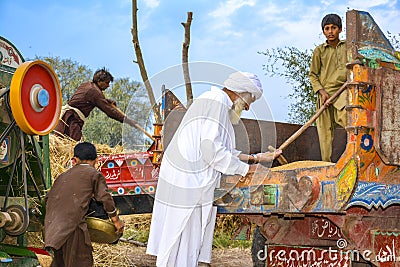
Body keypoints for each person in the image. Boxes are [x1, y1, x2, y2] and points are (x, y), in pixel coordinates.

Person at [146, 71, 282, 267]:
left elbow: (224, 149)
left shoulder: (216, 102)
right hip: (188, 181)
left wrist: (256, 158)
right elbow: (211, 151)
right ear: (241, 92)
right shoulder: (216, 103)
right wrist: (245, 170)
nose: (248, 106)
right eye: (249, 100)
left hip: (187, 179)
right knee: (181, 242)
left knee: (183, 241)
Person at [44, 142, 124, 267]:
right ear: (97, 160)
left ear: (74, 160)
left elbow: (48, 198)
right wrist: (116, 220)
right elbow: (105, 198)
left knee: (60, 263)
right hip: (72, 229)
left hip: (52, 231)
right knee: (81, 262)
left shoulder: (62, 176)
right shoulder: (94, 174)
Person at [54, 67, 138, 141]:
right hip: (72, 119)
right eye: (107, 83)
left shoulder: (87, 85)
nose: (108, 86)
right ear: (99, 81)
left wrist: (106, 101)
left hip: (68, 117)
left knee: (65, 142)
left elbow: (88, 99)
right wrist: (128, 120)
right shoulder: (95, 92)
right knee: (75, 146)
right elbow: (109, 111)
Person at [309, 13, 347, 162]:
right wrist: (322, 92)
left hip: (342, 92)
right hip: (324, 96)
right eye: (327, 28)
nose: (330, 31)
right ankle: (327, 164)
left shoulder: (347, 47)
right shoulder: (319, 51)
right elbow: (313, 75)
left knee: (347, 120)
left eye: (334, 28)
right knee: (324, 133)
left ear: (340, 29)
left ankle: (354, 155)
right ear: (323, 31)